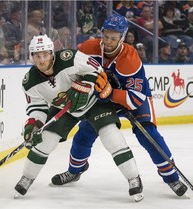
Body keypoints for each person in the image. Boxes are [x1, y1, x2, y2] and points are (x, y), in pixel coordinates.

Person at [51, 14, 188, 197]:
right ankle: (75, 170)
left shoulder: (130, 58)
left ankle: (171, 177)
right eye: (106, 36)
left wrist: (112, 93)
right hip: (103, 99)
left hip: (134, 98)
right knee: (85, 133)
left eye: (113, 38)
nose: (108, 41)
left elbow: (135, 99)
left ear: (122, 38)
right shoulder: (88, 48)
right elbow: (72, 71)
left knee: (148, 135)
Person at [14, 34, 144, 202]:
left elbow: (96, 69)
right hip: (64, 109)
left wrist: (84, 86)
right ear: (32, 57)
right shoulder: (29, 82)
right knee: (45, 140)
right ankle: (27, 178)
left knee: (110, 135)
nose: (42, 60)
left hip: (94, 101)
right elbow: (37, 108)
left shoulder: (69, 57)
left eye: (45, 54)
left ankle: (133, 178)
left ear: (52, 53)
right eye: (37, 56)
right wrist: (34, 125)